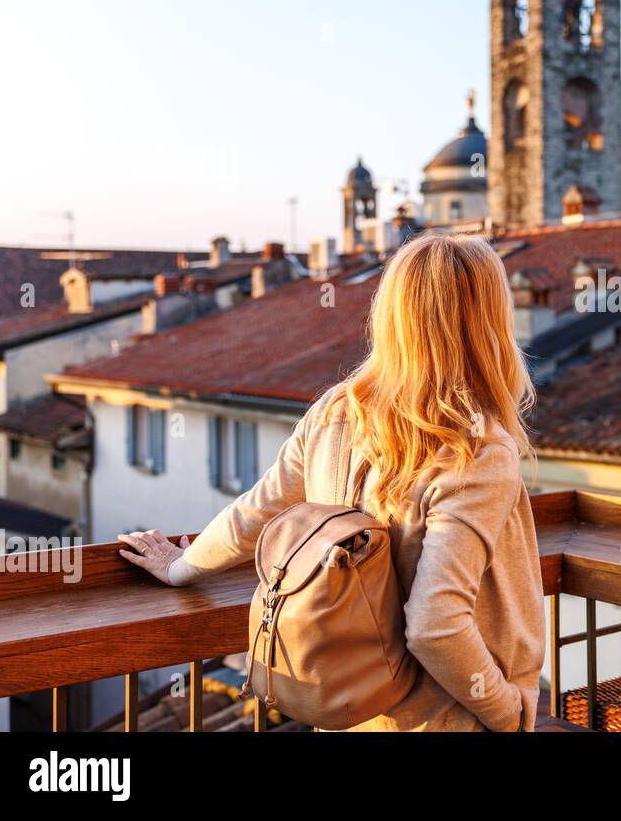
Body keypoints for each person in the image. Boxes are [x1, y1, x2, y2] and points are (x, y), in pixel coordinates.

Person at [118, 232, 545, 731]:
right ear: (489, 321)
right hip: (448, 717)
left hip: (356, 703)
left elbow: (257, 511)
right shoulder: (479, 450)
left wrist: (181, 568)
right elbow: (434, 625)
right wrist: (508, 712)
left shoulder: (338, 410)